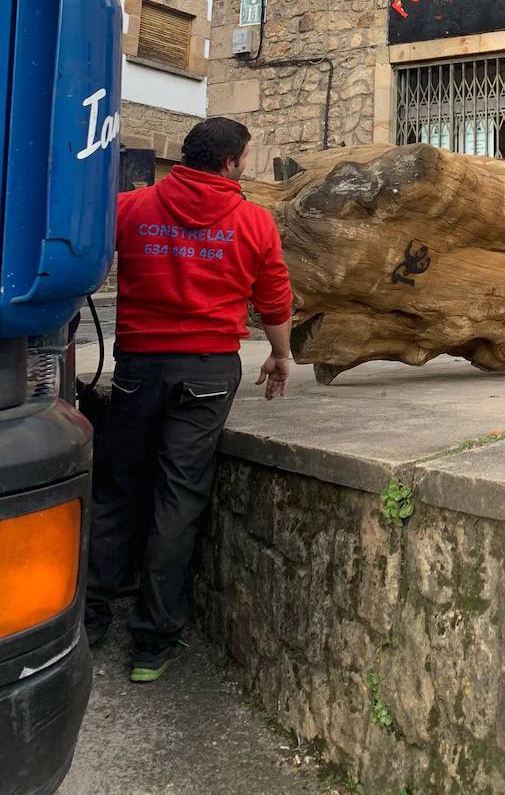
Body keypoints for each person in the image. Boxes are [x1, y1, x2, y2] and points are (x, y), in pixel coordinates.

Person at [85, 117, 293, 682]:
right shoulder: (253, 221)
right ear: (231, 162)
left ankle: (90, 617)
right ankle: (152, 643)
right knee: (179, 499)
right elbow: (273, 297)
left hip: (139, 367)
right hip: (206, 370)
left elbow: (87, 250)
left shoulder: (132, 208)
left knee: (116, 488)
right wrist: (281, 355)